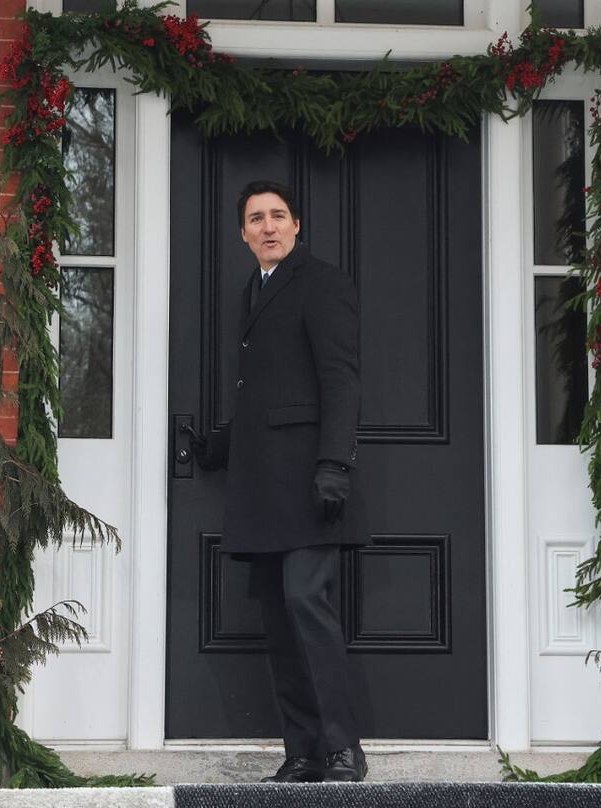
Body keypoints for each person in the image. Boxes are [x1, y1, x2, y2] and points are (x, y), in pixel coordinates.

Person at [190, 179, 368, 783]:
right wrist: (219, 446)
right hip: (262, 489)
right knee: (279, 621)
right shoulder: (253, 293)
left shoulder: (321, 283)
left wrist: (335, 464)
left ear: (296, 227)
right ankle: (303, 752)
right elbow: (268, 394)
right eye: (256, 219)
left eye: (278, 216)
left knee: (305, 605)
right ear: (243, 234)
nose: (268, 227)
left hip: (311, 484)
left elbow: (341, 380)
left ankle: (344, 749)